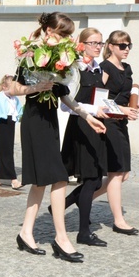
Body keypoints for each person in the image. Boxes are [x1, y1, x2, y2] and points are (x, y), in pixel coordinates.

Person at [9, 12, 106, 263]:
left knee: (41, 181)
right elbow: (13, 88)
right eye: (64, 33)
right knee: (59, 178)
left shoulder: (60, 58)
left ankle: (25, 233)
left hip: (50, 121)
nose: (67, 38)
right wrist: (35, 88)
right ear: (50, 31)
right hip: (34, 120)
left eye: (69, 34)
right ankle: (61, 239)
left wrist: (87, 116)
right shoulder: (30, 55)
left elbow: (64, 95)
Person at [59, 27, 110, 247]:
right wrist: (91, 110)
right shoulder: (75, 68)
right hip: (81, 126)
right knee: (90, 179)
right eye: (93, 43)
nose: (98, 47)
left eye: (100, 43)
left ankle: (59, 207)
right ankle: (84, 232)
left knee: (97, 178)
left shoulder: (98, 69)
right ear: (82, 45)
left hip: (97, 126)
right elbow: (66, 103)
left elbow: (100, 98)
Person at [93, 30, 139, 236]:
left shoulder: (127, 68)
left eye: (129, 45)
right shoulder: (104, 68)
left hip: (122, 123)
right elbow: (97, 98)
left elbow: (127, 95)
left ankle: (77, 199)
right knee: (116, 172)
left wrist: (135, 108)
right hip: (109, 122)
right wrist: (121, 110)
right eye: (122, 46)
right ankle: (118, 221)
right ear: (111, 46)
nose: (127, 49)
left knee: (124, 174)